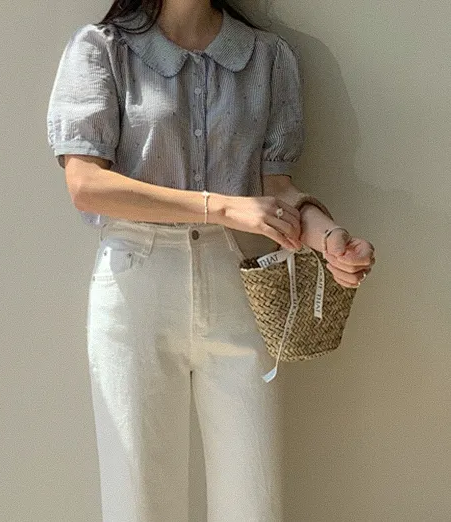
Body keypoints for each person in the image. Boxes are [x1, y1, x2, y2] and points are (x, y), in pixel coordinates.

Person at [46, 1, 376, 520]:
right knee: (138, 502)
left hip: (237, 285)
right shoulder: (103, 49)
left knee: (254, 501)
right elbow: (86, 185)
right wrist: (219, 205)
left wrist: (329, 238)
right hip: (137, 287)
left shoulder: (266, 57)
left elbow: (276, 191)